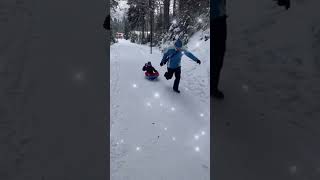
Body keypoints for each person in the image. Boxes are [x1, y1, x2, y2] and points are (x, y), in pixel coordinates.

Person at [212, 0, 227, 99]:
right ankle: (212, 87)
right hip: (212, 22)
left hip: (221, 20)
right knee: (215, 57)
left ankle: (213, 87)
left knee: (219, 58)